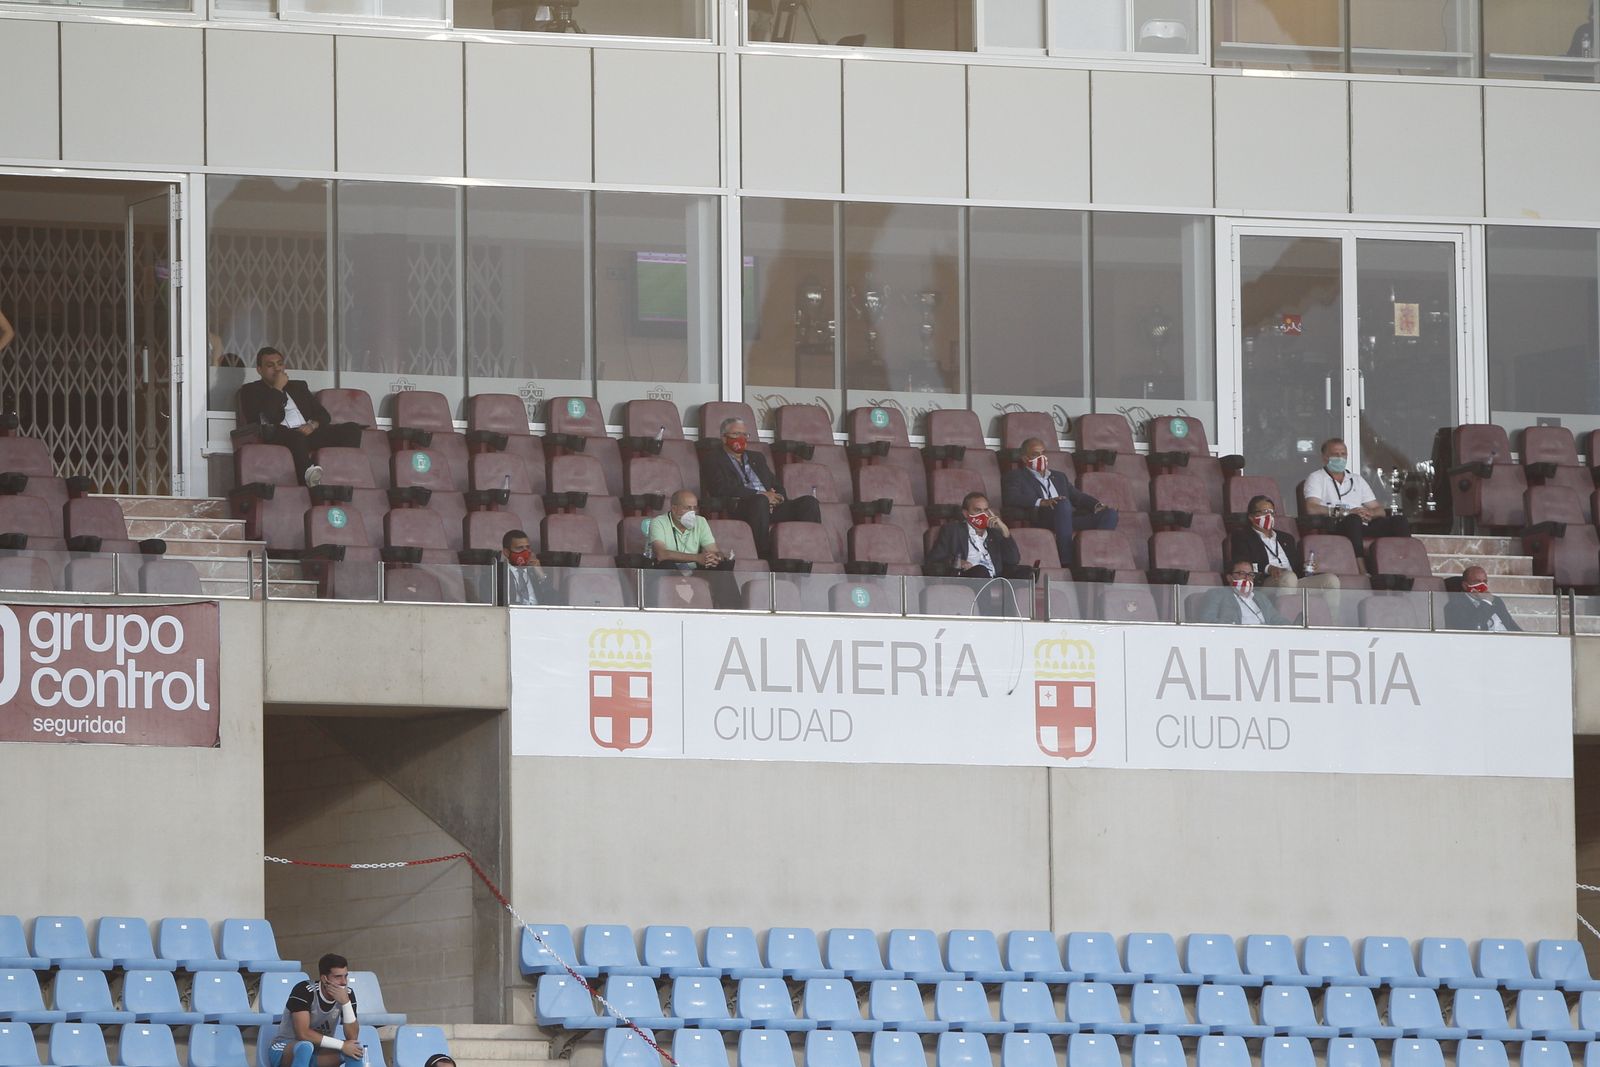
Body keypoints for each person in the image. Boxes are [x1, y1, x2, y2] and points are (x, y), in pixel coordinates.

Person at [238, 347, 365, 484]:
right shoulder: (250, 391)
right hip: (279, 434)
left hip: (307, 432)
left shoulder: (298, 387)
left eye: (280, 364)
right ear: (259, 370)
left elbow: (323, 415)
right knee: (297, 437)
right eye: (270, 365)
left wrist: (312, 425)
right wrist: (277, 389)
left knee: (352, 430)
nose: (277, 369)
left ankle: (344, 475)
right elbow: (268, 417)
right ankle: (309, 476)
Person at [697, 417, 821, 556]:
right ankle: (764, 554)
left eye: (745, 435)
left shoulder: (757, 457)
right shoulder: (713, 459)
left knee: (809, 503)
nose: (742, 438)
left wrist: (778, 497)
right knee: (760, 501)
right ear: (724, 438)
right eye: (736, 434)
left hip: (770, 505)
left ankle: (809, 551)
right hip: (741, 506)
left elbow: (776, 484)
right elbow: (720, 488)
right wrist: (760, 495)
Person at [1000, 437, 1118, 564]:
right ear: (1025, 459)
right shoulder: (1016, 476)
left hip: (1068, 518)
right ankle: (1067, 560)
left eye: (1043, 453)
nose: (1042, 457)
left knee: (1110, 514)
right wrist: (1041, 502)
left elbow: (1077, 496)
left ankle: (1093, 559)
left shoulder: (1059, 476)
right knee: (1062, 503)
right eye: (1035, 454)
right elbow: (1011, 497)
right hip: (1044, 517)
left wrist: (1096, 505)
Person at [1300, 437, 1411, 557]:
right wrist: (1346, 513)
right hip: (1337, 525)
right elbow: (1312, 508)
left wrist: (1369, 513)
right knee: (1353, 520)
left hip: (1362, 524)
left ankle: (1404, 562)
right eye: (1335, 454)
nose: (1340, 457)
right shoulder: (1316, 478)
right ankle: (1360, 566)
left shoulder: (1357, 479)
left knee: (1400, 521)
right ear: (1324, 458)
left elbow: (1379, 510)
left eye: (1343, 454)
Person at [266, 953, 364, 1067]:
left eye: (345, 976)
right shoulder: (304, 991)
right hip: (286, 1049)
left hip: (318, 1052)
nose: (344, 982)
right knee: (305, 1046)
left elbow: (352, 1037)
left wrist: (346, 1003)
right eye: (338, 977)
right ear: (324, 978)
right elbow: (303, 1034)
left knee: (354, 1050)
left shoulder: (347, 994)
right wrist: (342, 1045)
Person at [1228, 494, 1338, 589]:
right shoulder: (1242, 537)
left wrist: (1305, 567)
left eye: (1272, 512)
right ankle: (1286, 612)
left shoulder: (1286, 538)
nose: (1269, 516)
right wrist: (1269, 568)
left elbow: (1295, 566)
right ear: (1251, 517)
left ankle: (1333, 614)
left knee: (1331, 580)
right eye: (1264, 512)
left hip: (1294, 579)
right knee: (1289, 577)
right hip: (1268, 581)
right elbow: (1243, 565)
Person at [925, 491, 1020, 580]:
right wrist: (958, 562)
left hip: (996, 578)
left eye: (985, 510)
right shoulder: (952, 530)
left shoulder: (995, 533)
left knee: (1026, 571)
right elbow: (934, 559)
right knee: (981, 570)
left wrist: (1005, 531)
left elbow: (1013, 560)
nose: (983, 514)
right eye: (978, 510)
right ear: (965, 513)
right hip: (970, 577)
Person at [1192, 559, 1291, 625]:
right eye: (1241, 574)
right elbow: (1206, 621)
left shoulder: (1260, 597)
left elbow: (1276, 619)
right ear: (1229, 578)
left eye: (1250, 574)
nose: (1247, 578)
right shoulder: (1217, 594)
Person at [647, 491, 725, 569]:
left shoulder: (701, 521)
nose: (692, 512)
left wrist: (716, 557)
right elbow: (662, 554)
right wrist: (697, 558)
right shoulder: (658, 522)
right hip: (671, 570)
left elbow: (713, 550)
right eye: (688, 508)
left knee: (721, 565)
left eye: (695, 508)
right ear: (674, 509)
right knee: (666, 564)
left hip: (696, 570)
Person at [1444, 565, 1522, 632]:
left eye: (1484, 581)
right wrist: (1486, 602)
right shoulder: (1455, 605)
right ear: (1465, 585)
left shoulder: (1496, 600)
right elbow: (1473, 628)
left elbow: (1512, 626)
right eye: (1477, 582)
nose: (1482, 585)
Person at [502, 528, 554, 606]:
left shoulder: (535, 573)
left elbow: (553, 601)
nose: (525, 552)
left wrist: (541, 576)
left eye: (527, 547)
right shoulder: (496, 575)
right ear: (506, 552)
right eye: (519, 548)